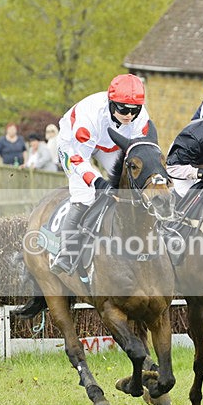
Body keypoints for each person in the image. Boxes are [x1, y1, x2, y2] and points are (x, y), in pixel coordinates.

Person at [51, 73, 151, 273]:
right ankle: (66, 252)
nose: (129, 115)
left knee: (130, 184)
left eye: (135, 110)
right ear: (111, 102)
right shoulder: (89, 118)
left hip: (111, 146)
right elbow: (79, 159)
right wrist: (98, 182)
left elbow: (138, 154)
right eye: (123, 109)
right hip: (74, 146)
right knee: (85, 194)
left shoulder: (142, 119)